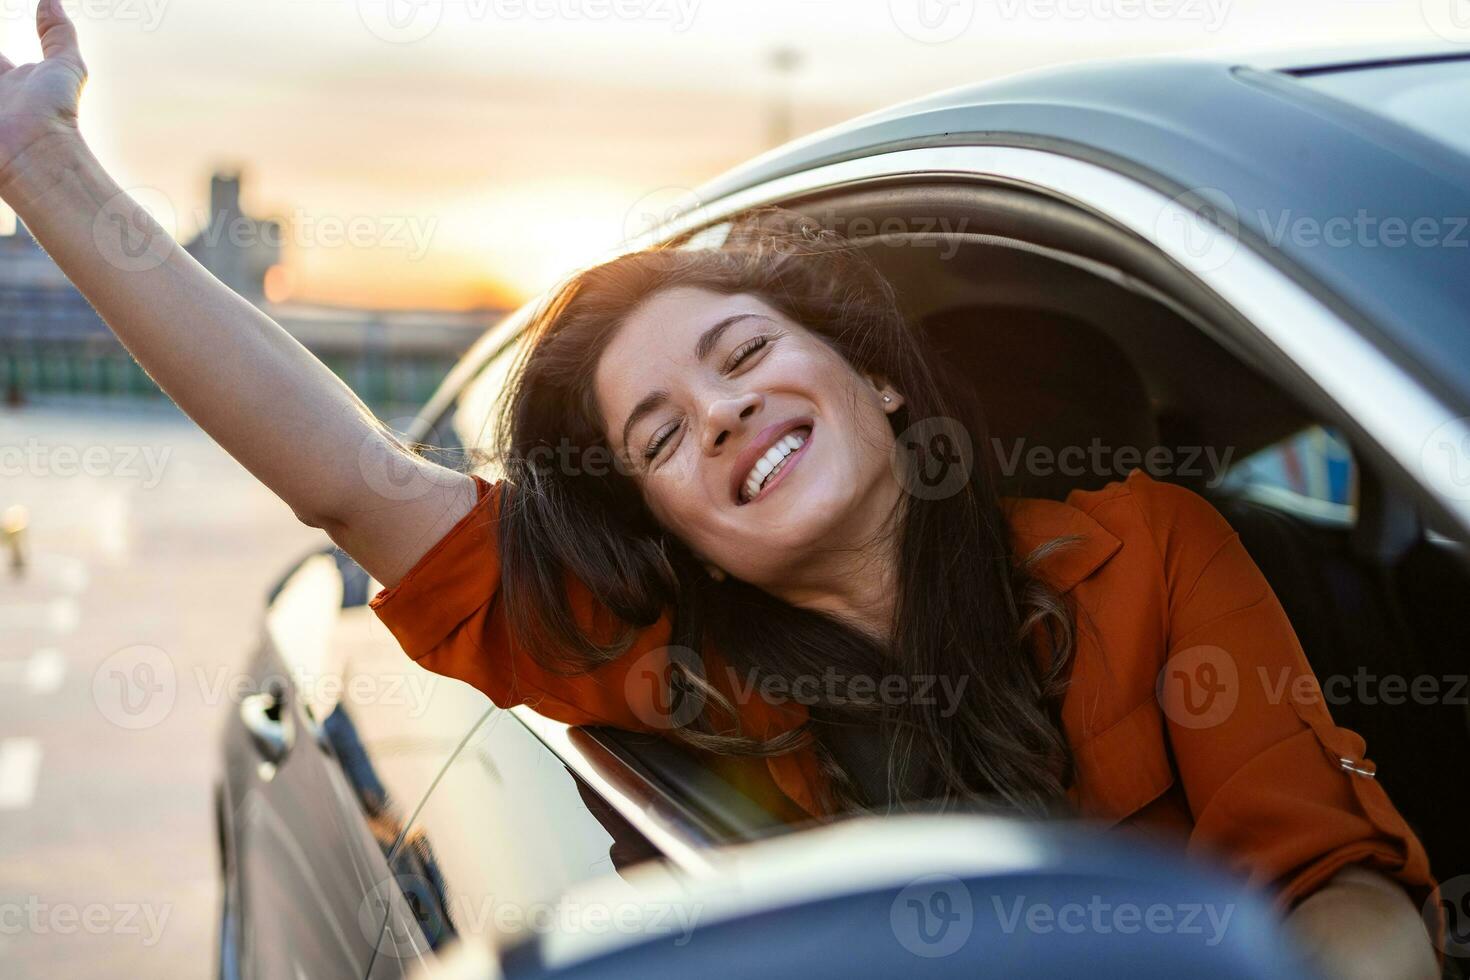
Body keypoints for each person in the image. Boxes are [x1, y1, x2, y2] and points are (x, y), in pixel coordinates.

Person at [0, 3, 1442, 975]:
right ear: (670, 523)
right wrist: (44, 162)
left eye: (744, 349)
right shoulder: (654, 656)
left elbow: (1342, 888)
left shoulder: (1146, 548)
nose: (724, 408)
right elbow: (358, 484)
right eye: (663, 434)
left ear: (874, 379)